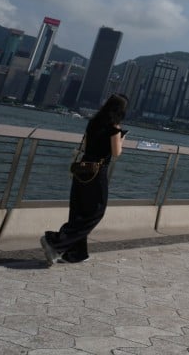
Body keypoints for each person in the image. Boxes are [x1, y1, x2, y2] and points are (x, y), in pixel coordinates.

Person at [40, 93, 127, 265]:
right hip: (97, 172)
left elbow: (86, 146)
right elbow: (116, 153)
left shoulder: (93, 123)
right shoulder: (114, 127)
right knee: (95, 212)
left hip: (82, 169)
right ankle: (55, 240)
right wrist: (122, 138)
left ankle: (76, 253)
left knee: (79, 210)